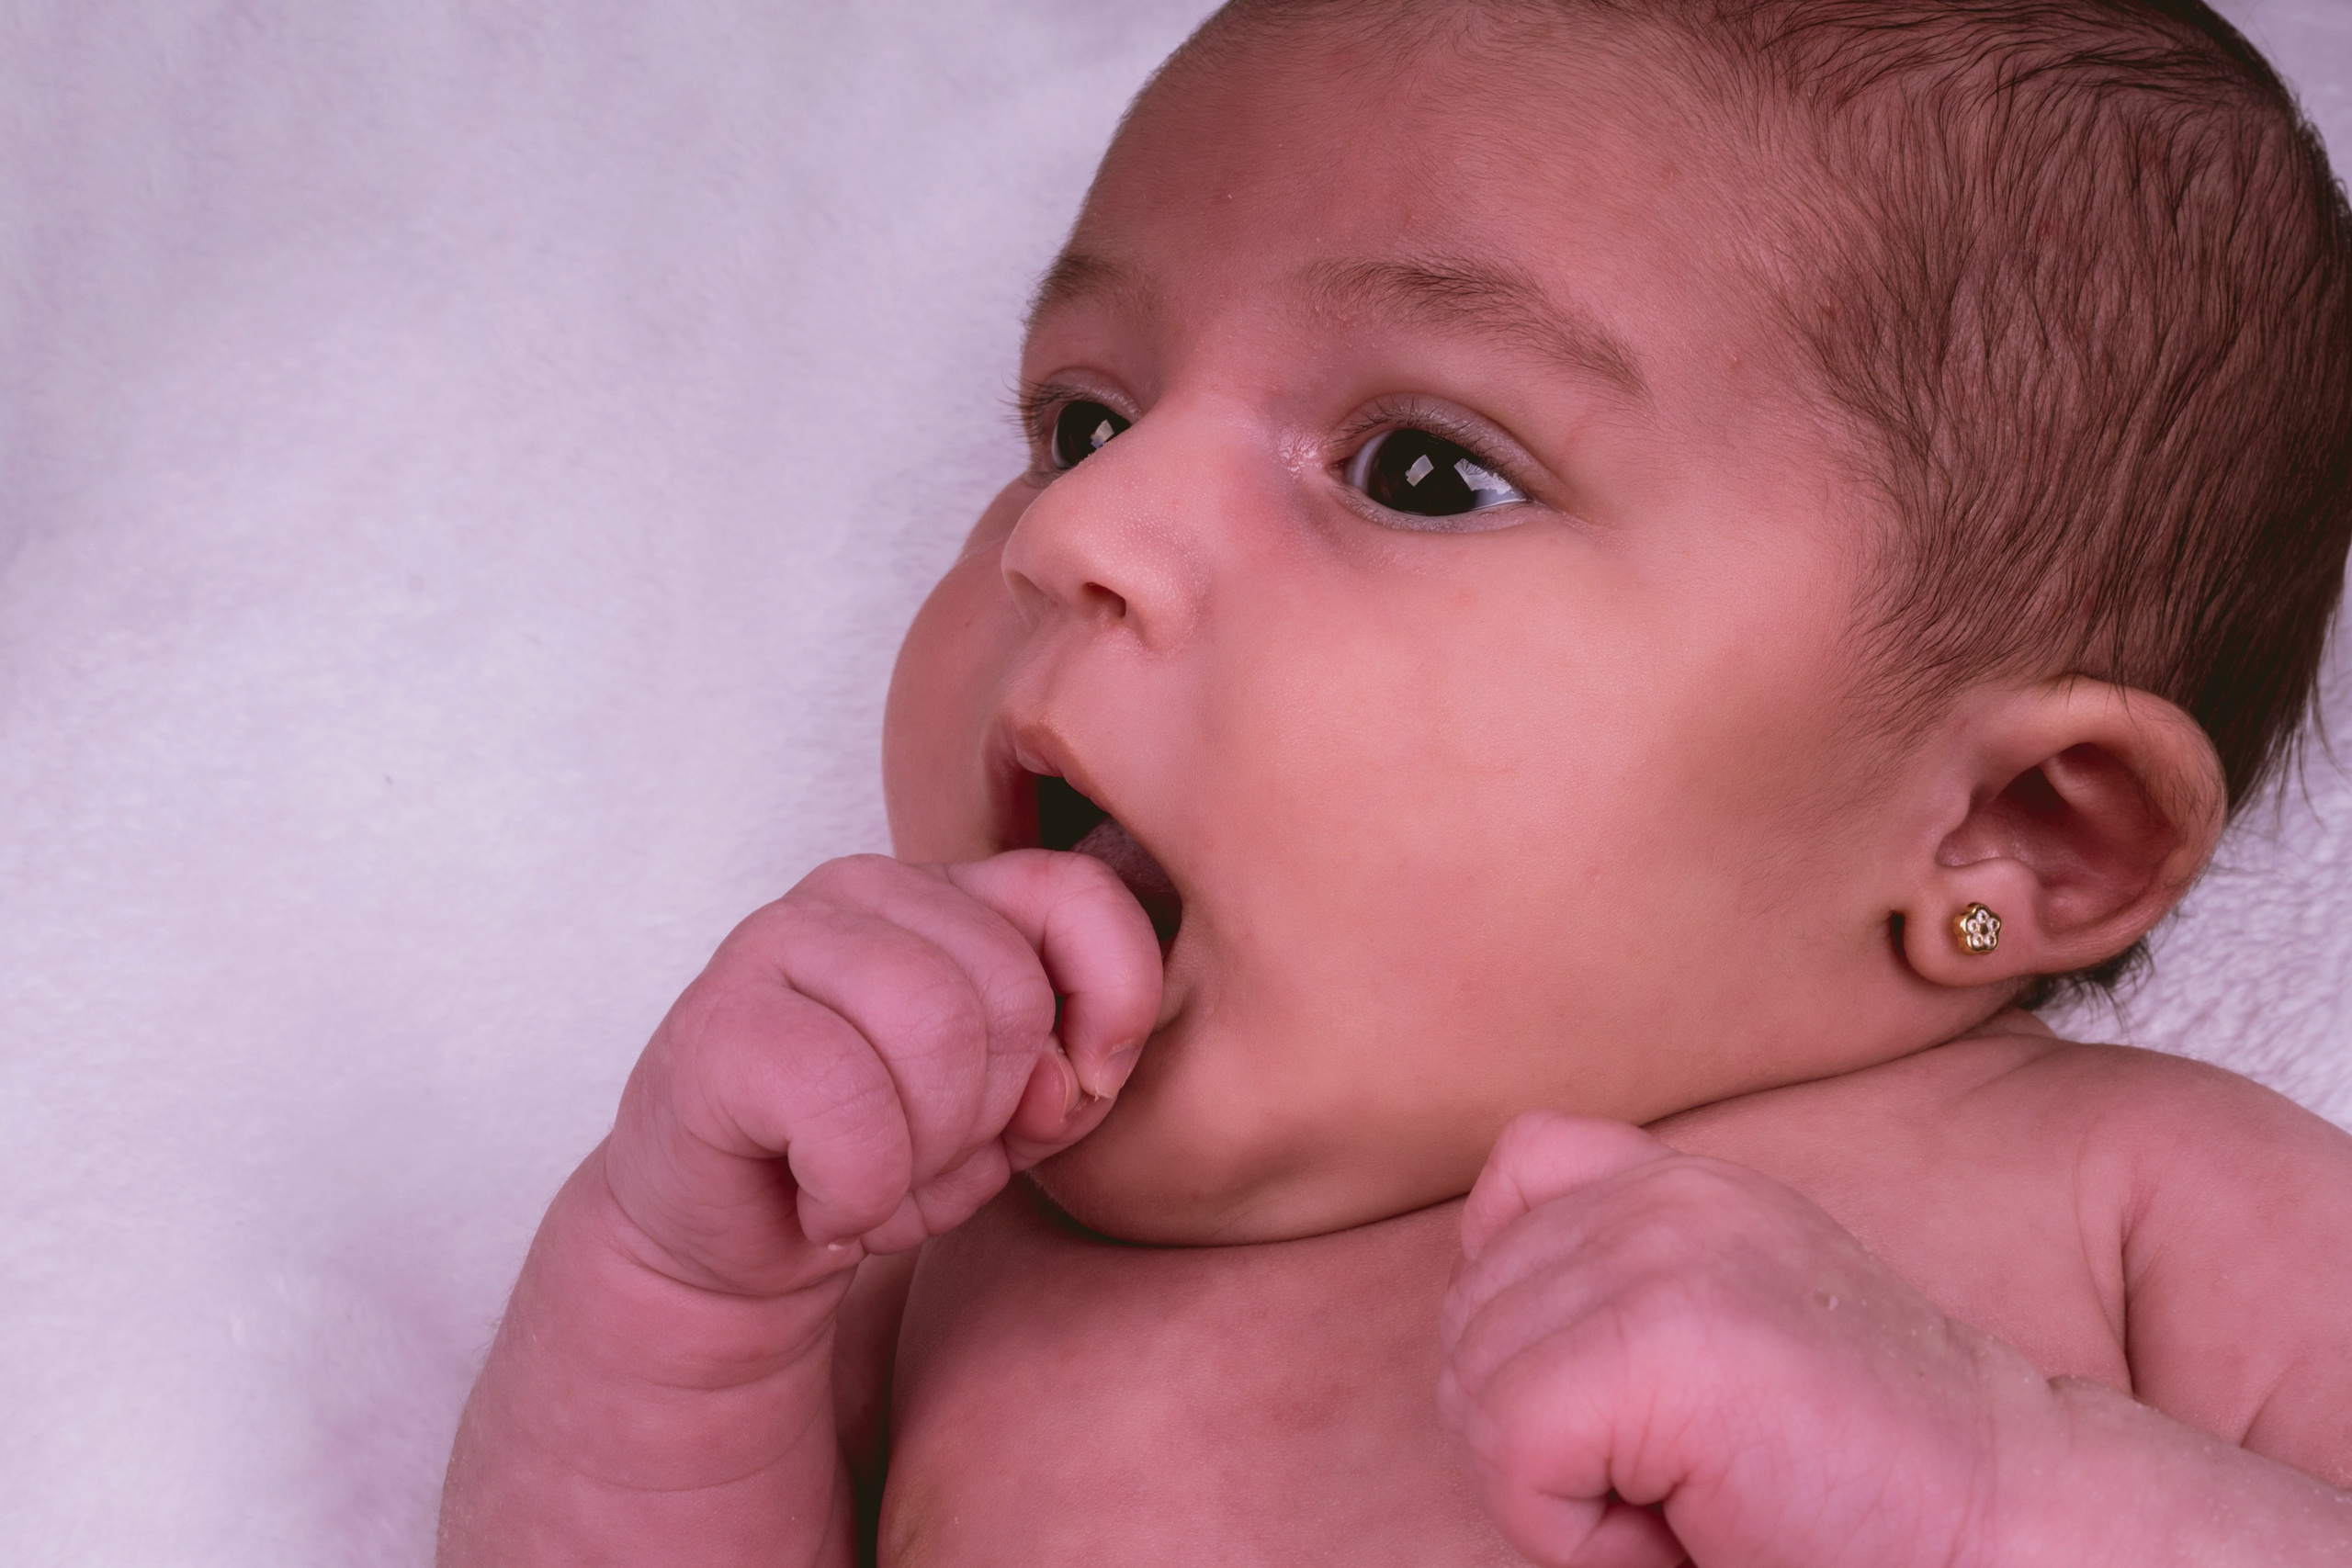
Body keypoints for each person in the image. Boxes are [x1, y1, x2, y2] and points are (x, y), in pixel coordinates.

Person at [435, 2, 2352, 1562]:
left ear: (2015, 833)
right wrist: (684, 1291)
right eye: (1081, 420)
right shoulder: (946, 1252)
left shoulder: (2145, 1202)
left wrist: (1997, 1499)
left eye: (1420, 470)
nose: (1075, 527)